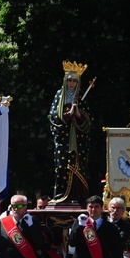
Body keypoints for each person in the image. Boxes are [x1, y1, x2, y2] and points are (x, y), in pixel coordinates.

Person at [49, 61, 91, 204]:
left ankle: (77, 196)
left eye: (74, 81)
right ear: (65, 81)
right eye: (70, 80)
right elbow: (53, 116)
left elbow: (88, 122)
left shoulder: (81, 98)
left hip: (78, 140)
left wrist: (78, 114)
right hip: (62, 139)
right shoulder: (59, 95)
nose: (72, 83)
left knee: (77, 165)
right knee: (61, 165)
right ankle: (61, 195)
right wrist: (68, 114)